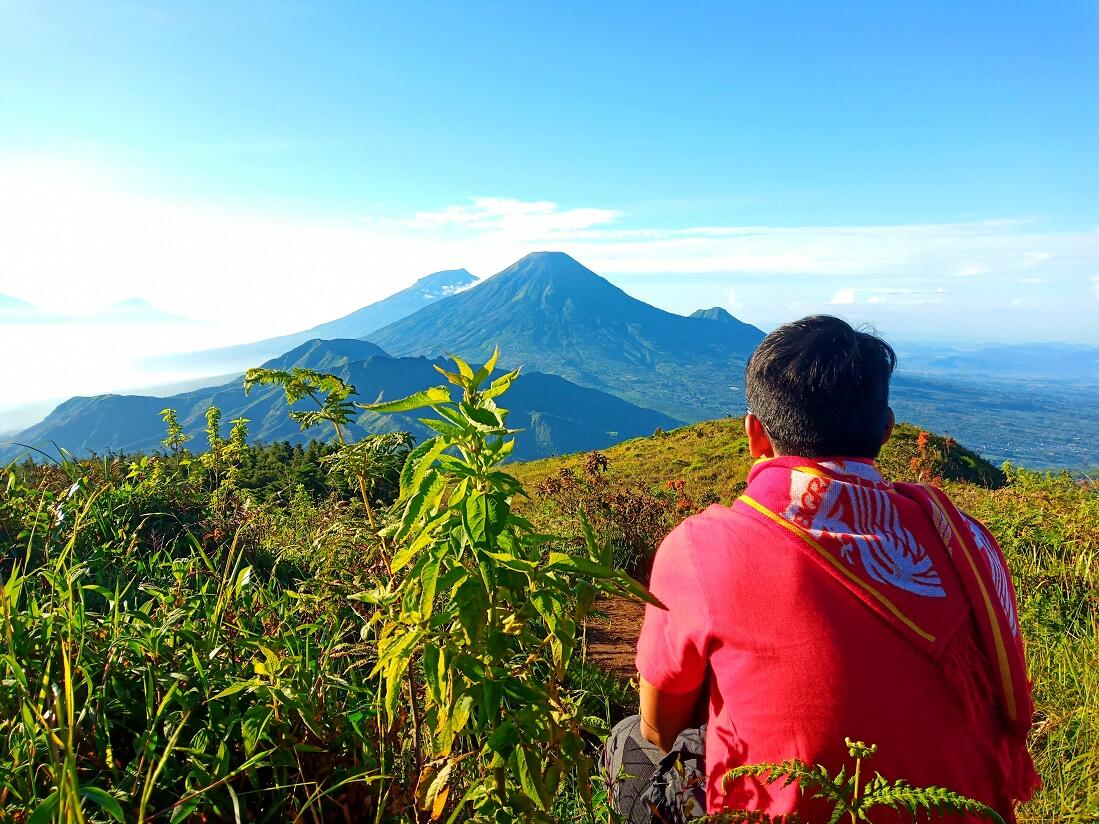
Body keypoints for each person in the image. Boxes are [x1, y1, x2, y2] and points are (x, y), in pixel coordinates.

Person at [602, 315, 1039, 823]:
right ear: (887, 429)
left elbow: (661, 728)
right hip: (970, 812)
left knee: (628, 744)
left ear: (755, 435)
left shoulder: (702, 545)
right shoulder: (966, 540)